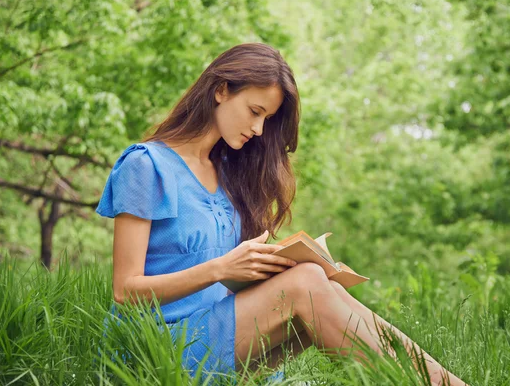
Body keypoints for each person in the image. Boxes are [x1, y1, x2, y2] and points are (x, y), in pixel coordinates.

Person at [95, 42, 466, 385]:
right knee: (305, 284)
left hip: (217, 331)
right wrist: (221, 268)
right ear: (221, 90)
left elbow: (234, 280)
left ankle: (444, 381)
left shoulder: (226, 173)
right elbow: (125, 291)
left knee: (315, 278)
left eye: (267, 119)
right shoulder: (146, 165)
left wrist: (272, 264)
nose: (258, 129)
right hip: (154, 346)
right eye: (255, 112)